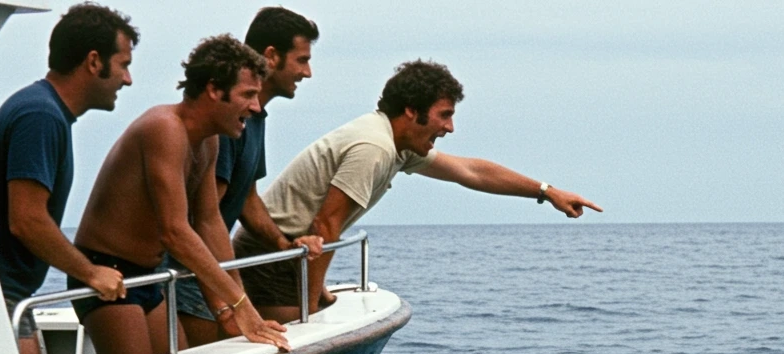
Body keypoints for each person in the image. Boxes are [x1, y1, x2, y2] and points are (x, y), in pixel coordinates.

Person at [236, 59, 601, 320]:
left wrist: (546, 191)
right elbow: (326, 226)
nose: (450, 127)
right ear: (412, 111)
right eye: (444, 115)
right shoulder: (375, 147)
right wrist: (311, 303)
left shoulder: (398, 144)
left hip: (293, 256)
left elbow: (469, 171)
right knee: (292, 342)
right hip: (274, 257)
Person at [70, 35, 289, 354]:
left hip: (150, 276)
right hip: (107, 272)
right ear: (214, 89)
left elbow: (208, 222)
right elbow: (176, 231)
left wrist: (232, 311)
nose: (256, 107)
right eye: (248, 94)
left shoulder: (210, 140)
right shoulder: (164, 128)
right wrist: (240, 306)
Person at [0, 3, 136, 354]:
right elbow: (26, 219)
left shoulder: (45, 111)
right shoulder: (40, 116)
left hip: (11, 296)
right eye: (123, 64)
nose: (128, 79)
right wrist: (91, 273)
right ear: (94, 61)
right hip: (3, 296)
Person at [177, 6, 323, 347]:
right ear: (271, 56)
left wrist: (283, 244)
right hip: (191, 273)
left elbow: (246, 197)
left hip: (212, 270)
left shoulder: (254, 117)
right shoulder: (229, 121)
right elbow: (205, 215)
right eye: (301, 60)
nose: (308, 72)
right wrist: (236, 299)